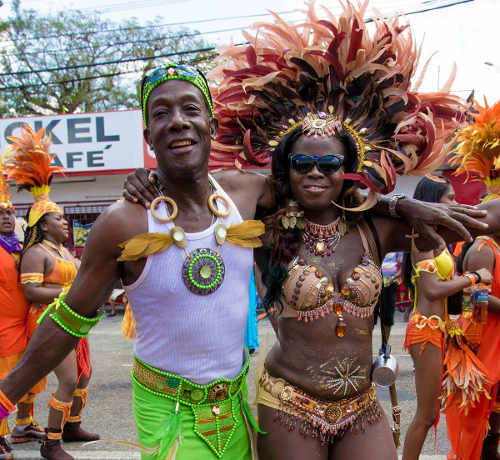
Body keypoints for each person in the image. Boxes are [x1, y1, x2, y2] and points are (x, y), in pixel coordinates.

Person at [0, 13, 495, 460]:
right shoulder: (126, 220)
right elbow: (70, 319)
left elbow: (331, 197)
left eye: (191, 110)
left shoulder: (248, 194)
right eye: (161, 114)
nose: (177, 121)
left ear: (210, 124)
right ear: (147, 135)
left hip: (239, 405)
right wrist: (4, 399)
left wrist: (399, 203)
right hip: (181, 410)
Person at [4, 125, 99, 460]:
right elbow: (31, 291)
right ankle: (51, 443)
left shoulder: (63, 252)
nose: (65, 222)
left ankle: (72, 425)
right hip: (50, 320)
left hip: (73, 318)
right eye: (59, 219)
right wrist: (68, 294)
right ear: (43, 224)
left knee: (85, 375)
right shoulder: (36, 253)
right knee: (69, 379)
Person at [401, 175, 492, 460]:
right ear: (432, 201)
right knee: (425, 416)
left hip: (441, 329)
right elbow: (431, 290)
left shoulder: (437, 239)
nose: (454, 203)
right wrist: (473, 277)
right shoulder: (422, 239)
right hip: (425, 330)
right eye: (449, 199)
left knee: (433, 412)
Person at [444, 98, 500, 460]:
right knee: (477, 433)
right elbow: (472, 302)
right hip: (483, 351)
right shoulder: (482, 248)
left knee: (494, 431)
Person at [0, 159, 45, 460]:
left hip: (26, 323)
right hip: (2, 328)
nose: (6, 216)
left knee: (31, 376)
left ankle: (24, 424)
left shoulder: (19, 245)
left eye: (9, 211)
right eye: (0, 212)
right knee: (5, 380)